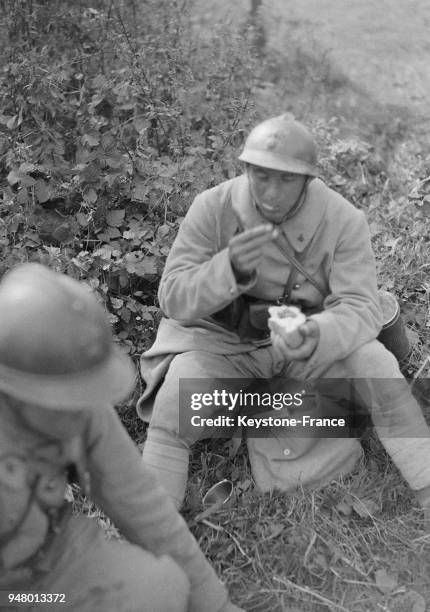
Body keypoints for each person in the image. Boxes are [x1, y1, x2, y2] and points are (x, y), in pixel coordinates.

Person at [138, 114, 430, 511]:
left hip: (305, 352)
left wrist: (316, 336)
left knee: (376, 364)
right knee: (176, 403)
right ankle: (156, 527)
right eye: (261, 176)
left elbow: (360, 306)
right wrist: (227, 270)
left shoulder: (344, 220)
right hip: (220, 347)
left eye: (286, 179)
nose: (272, 193)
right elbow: (172, 297)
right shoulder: (212, 207)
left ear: (308, 179)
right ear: (245, 170)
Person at [0, 263, 242, 612]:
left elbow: (142, 504)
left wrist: (217, 606)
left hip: (52, 554)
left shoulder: (79, 407)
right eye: (62, 403)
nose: (82, 414)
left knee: (162, 587)